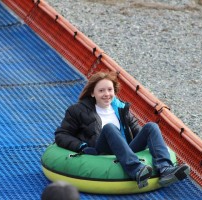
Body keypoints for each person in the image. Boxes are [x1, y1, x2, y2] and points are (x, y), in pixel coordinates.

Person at [54, 71, 190, 189]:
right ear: (92, 93)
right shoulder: (78, 110)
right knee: (110, 128)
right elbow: (62, 134)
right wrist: (82, 147)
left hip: (126, 148)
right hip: (101, 150)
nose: (106, 94)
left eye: (109, 90)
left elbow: (137, 131)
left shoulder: (120, 108)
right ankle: (136, 170)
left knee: (151, 127)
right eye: (101, 91)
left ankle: (165, 169)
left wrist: (154, 146)